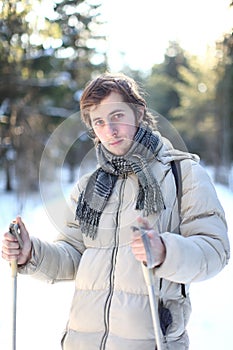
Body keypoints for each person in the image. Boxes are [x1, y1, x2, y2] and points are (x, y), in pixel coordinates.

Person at [2, 72, 230, 350]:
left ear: (138, 113)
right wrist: (31, 254)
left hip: (151, 342)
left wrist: (165, 252)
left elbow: (215, 250)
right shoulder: (90, 186)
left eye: (117, 116)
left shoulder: (184, 174)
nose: (109, 130)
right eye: (99, 122)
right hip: (82, 341)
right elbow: (74, 255)